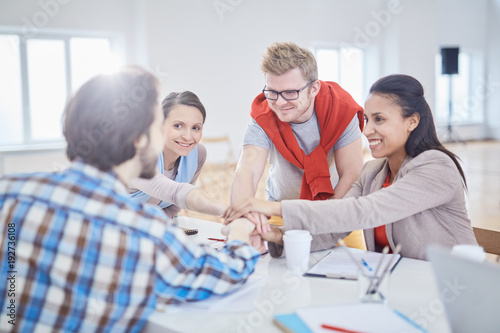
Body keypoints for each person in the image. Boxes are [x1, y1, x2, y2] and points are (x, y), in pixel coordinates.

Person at [0, 66, 259, 332]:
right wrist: (239, 230)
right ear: (139, 139)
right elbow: (228, 270)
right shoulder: (145, 232)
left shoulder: (8, 193)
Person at [224, 74, 478, 260]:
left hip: (451, 292)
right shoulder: (372, 172)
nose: (366, 130)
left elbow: (366, 210)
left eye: (379, 119)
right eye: (367, 119)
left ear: (412, 121)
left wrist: (272, 207)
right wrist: (278, 235)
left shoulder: (437, 166)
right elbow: (335, 220)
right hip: (397, 287)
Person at [230, 41, 364, 239]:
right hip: (281, 211)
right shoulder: (263, 114)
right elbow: (247, 168)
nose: (280, 102)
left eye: (291, 93)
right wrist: (242, 216)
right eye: (272, 92)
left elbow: (351, 174)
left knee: (351, 265)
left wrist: (321, 219)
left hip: (336, 210)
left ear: (314, 88)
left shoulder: (342, 109)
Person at [129, 91, 226, 218]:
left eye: (196, 128)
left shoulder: (198, 155)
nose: (187, 136)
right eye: (178, 126)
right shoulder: (138, 154)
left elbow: (173, 208)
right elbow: (175, 192)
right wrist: (227, 211)